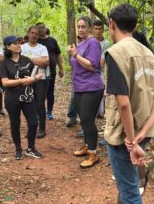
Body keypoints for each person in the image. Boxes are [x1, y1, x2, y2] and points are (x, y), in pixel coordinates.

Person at [104, 3, 154, 204]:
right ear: (135, 25)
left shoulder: (115, 53)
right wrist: (142, 132)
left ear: (112, 24)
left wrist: (131, 142)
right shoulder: (149, 54)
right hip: (143, 133)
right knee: (127, 185)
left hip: (123, 136)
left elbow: (123, 104)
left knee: (130, 192)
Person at [68, 16, 104, 168]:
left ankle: (93, 154)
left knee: (88, 121)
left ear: (89, 27)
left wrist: (75, 55)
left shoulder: (93, 43)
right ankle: (88, 146)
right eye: (79, 26)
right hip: (79, 87)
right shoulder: (81, 44)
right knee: (83, 119)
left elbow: (92, 66)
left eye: (83, 26)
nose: (80, 29)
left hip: (92, 87)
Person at [0, 35, 43, 159]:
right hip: (12, 98)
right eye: (14, 43)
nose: (18, 45)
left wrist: (33, 79)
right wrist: (22, 82)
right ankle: (18, 149)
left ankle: (31, 148)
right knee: (15, 123)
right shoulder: (4, 63)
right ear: (8, 47)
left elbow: (39, 74)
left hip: (28, 96)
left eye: (19, 42)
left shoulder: (26, 60)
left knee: (33, 123)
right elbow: (5, 82)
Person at [21, 26, 49, 138]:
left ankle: (42, 128)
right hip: (25, 79)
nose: (34, 35)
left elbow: (45, 62)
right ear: (28, 33)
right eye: (32, 33)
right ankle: (31, 128)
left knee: (39, 104)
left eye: (36, 34)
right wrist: (37, 60)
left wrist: (28, 58)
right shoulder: (22, 47)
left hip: (40, 79)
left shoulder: (42, 48)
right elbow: (18, 61)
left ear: (39, 35)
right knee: (28, 104)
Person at [36, 22, 64, 120]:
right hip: (38, 71)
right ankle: (39, 112)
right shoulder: (36, 41)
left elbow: (58, 55)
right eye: (38, 28)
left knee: (50, 91)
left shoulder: (52, 40)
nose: (41, 30)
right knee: (39, 91)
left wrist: (61, 68)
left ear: (45, 28)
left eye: (42, 27)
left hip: (51, 71)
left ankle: (49, 111)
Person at [92, 20, 111, 118]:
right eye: (95, 29)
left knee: (100, 94)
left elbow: (101, 63)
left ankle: (99, 112)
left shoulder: (106, 43)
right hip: (88, 73)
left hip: (100, 73)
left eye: (100, 29)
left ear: (103, 30)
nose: (98, 31)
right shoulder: (89, 41)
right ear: (92, 30)